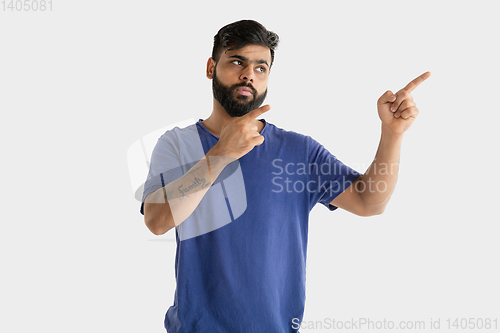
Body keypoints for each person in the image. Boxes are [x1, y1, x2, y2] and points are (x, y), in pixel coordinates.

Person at [140, 19, 430, 332]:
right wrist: (220, 155)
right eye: (237, 61)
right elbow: (157, 222)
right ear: (211, 67)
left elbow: (369, 202)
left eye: (260, 67)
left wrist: (392, 133)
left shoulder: (298, 151)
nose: (249, 74)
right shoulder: (177, 144)